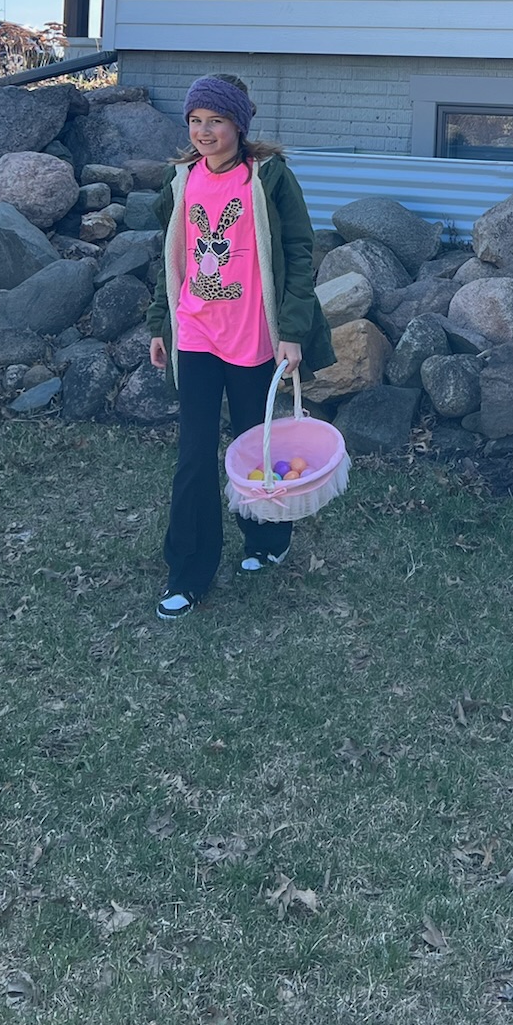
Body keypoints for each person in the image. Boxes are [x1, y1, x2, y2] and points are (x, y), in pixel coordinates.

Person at [145, 75, 334, 621]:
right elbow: (172, 257)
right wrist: (160, 323)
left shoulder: (268, 177)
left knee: (256, 445)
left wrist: (292, 331)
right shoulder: (182, 180)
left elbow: (299, 252)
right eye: (195, 121)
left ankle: (268, 539)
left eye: (216, 121)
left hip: (253, 337)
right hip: (196, 334)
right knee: (194, 455)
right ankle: (187, 572)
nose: (204, 132)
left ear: (239, 125)